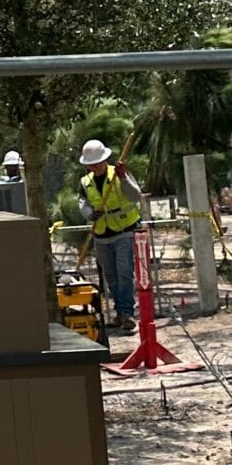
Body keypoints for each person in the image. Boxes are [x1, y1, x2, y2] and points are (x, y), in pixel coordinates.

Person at [77, 138, 144, 334]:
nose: (94, 166)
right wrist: (90, 213)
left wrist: (124, 179)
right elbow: (82, 202)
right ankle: (119, 313)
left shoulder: (118, 173)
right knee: (111, 276)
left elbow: (135, 196)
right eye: (91, 164)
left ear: (105, 159)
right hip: (101, 234)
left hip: (124, 230)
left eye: (97, 162)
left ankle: (127, 313)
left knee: (124, 272)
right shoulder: (85, 182)